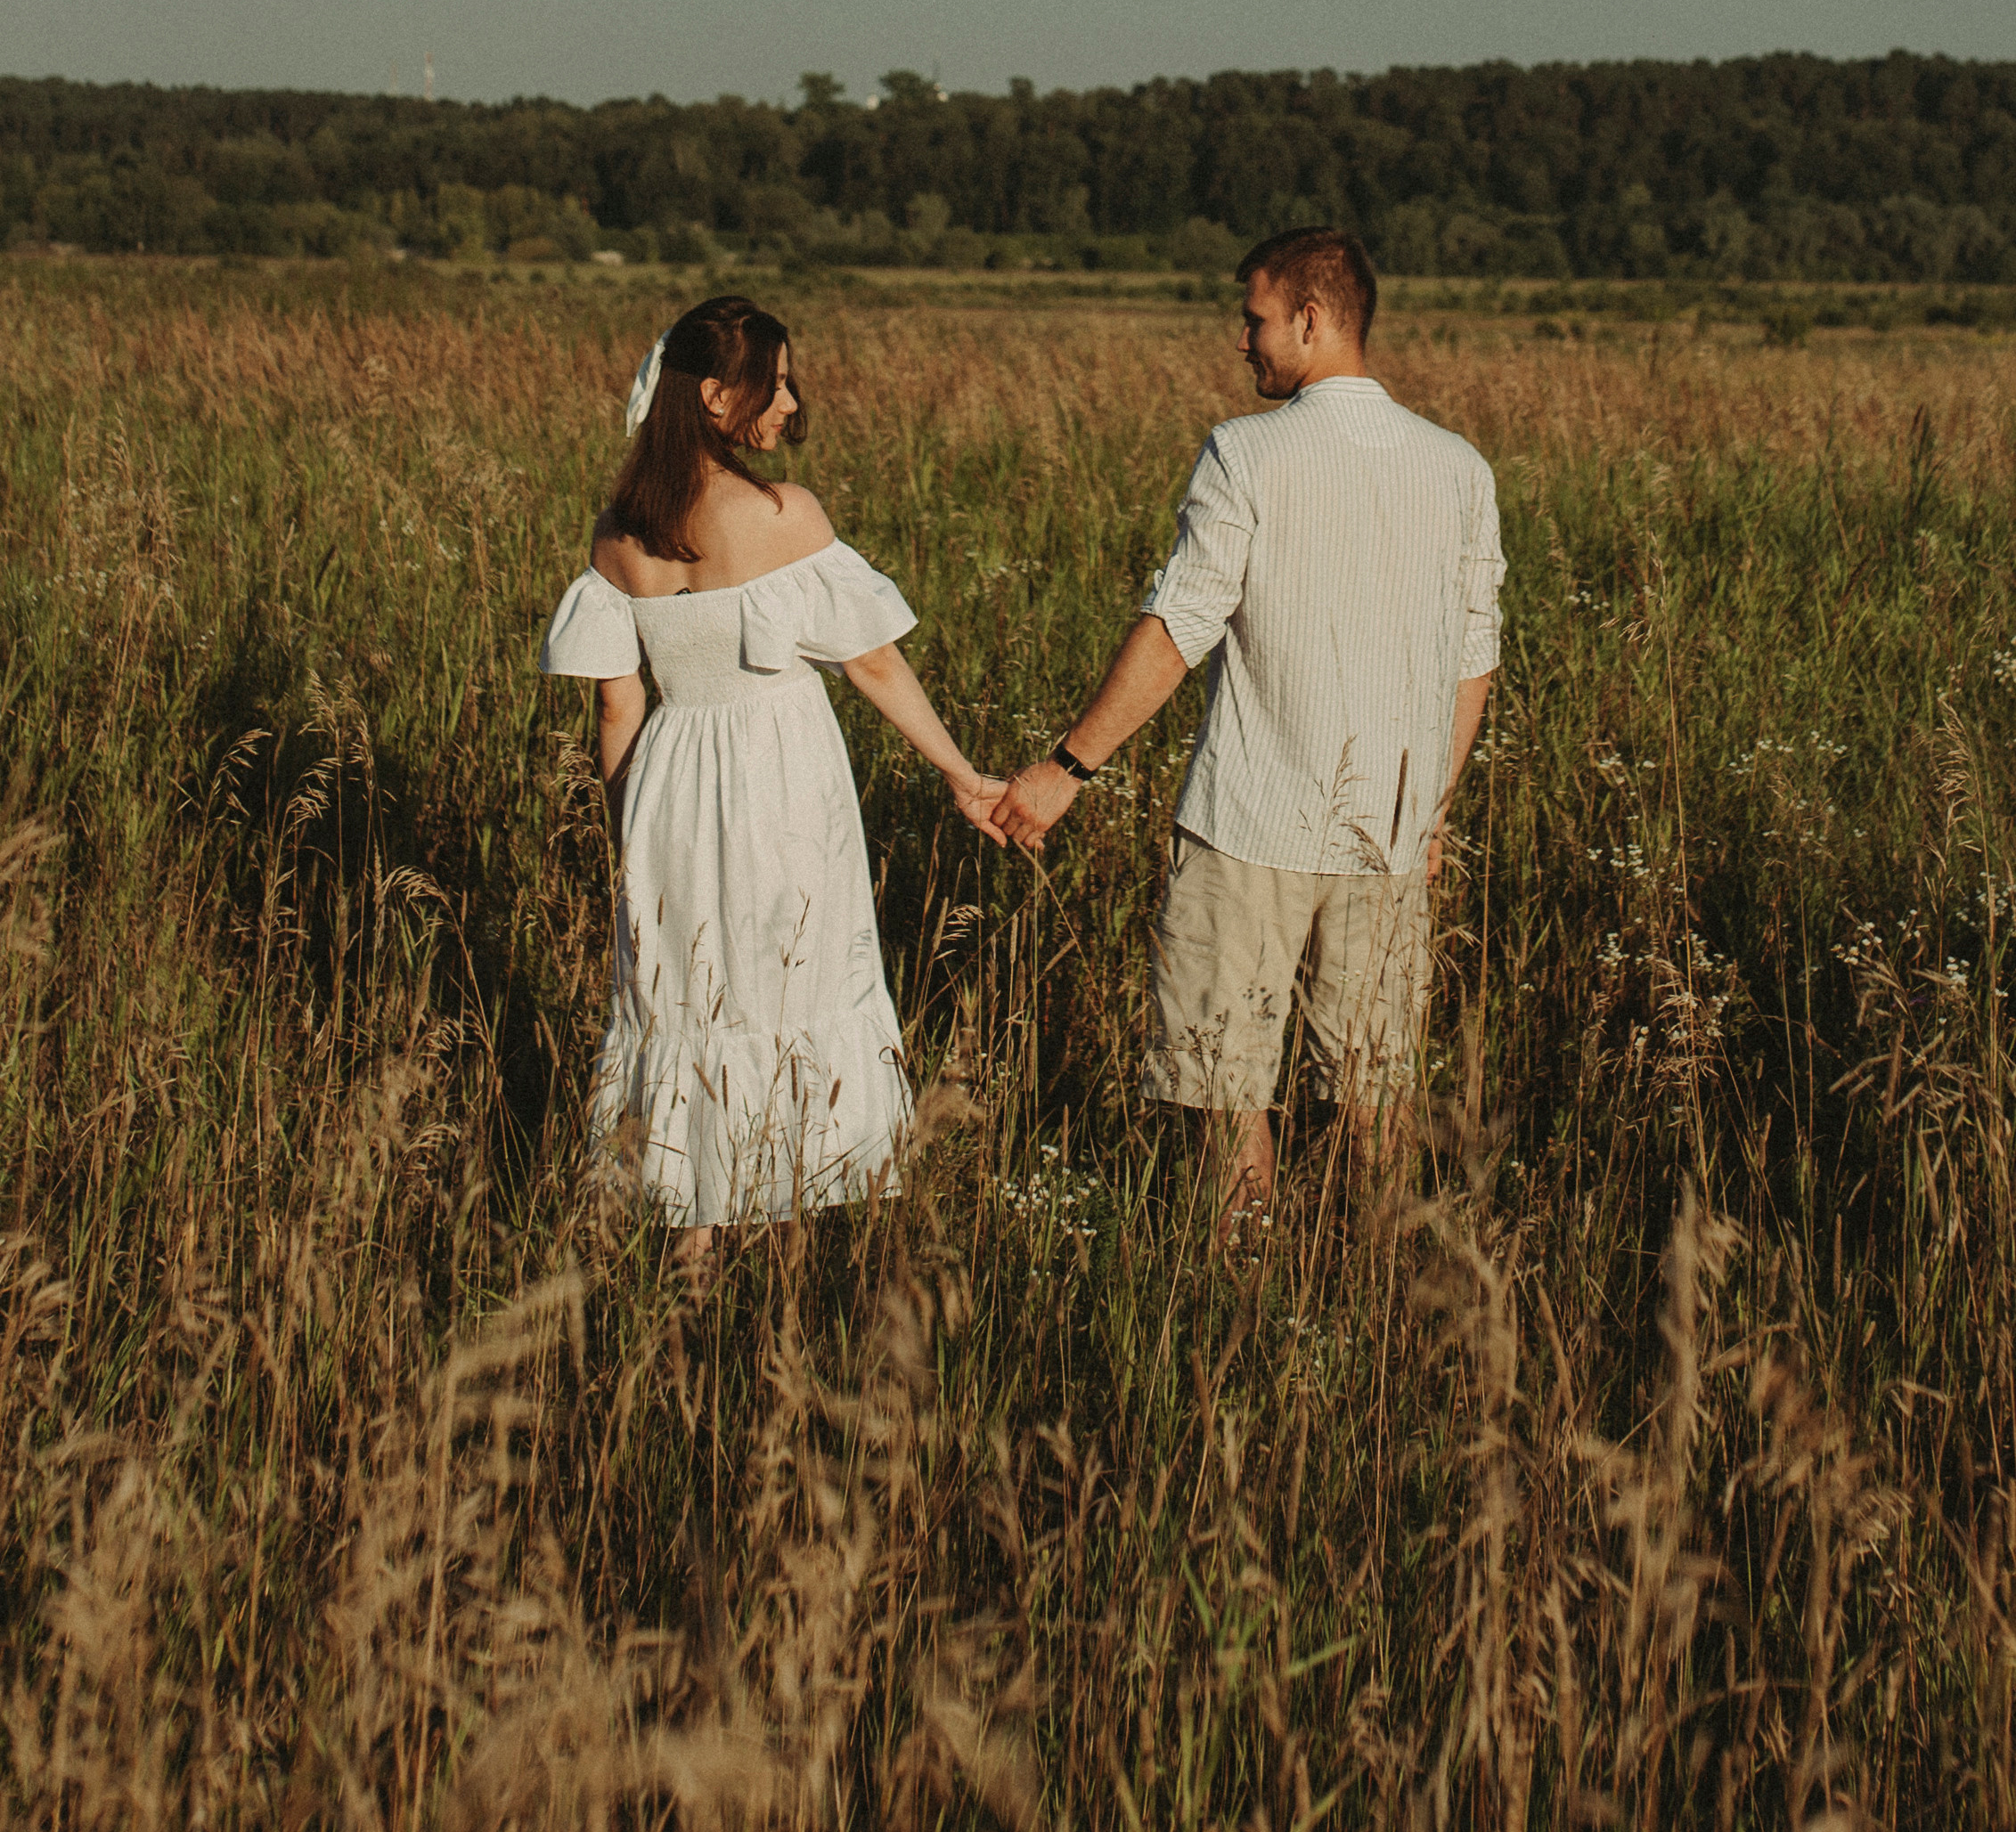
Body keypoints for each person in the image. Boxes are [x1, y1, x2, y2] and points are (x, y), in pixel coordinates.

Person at [991, 226, 1503, 1218]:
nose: (1242, 340)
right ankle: (1386, 1296)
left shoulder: (1246, 451)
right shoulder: (1458, 467)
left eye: (1254, 317)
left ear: (1311, 320)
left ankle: (1242, 1295)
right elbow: (1471, 658)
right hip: (1390, 836)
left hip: (1249, 824)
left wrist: (1065, 768)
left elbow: (1181, 622)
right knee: (1374, 1092)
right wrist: (1429, 811)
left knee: (1225, 1091)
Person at [542, 295, 1003, 1241]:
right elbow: (871, 662)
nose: (790, 402)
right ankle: (784, 1224)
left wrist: (633, 834)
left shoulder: (617, 535)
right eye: (776, 382)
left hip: (667, 784)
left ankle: (692, 1241)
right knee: (787, 979)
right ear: (716, 396)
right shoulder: (783, 515)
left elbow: (618, 704)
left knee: (688, 995)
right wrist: (963, 774)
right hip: (776, 775)